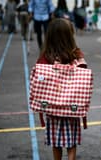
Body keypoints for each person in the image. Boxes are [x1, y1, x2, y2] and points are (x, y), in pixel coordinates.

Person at [36, 18, 87, 160]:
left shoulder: (46, 57)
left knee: (56, 142)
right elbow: (83, 75)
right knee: (71, 142)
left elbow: (39, 80)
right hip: (72, 105)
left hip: (53, 106)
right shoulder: (76, 54)